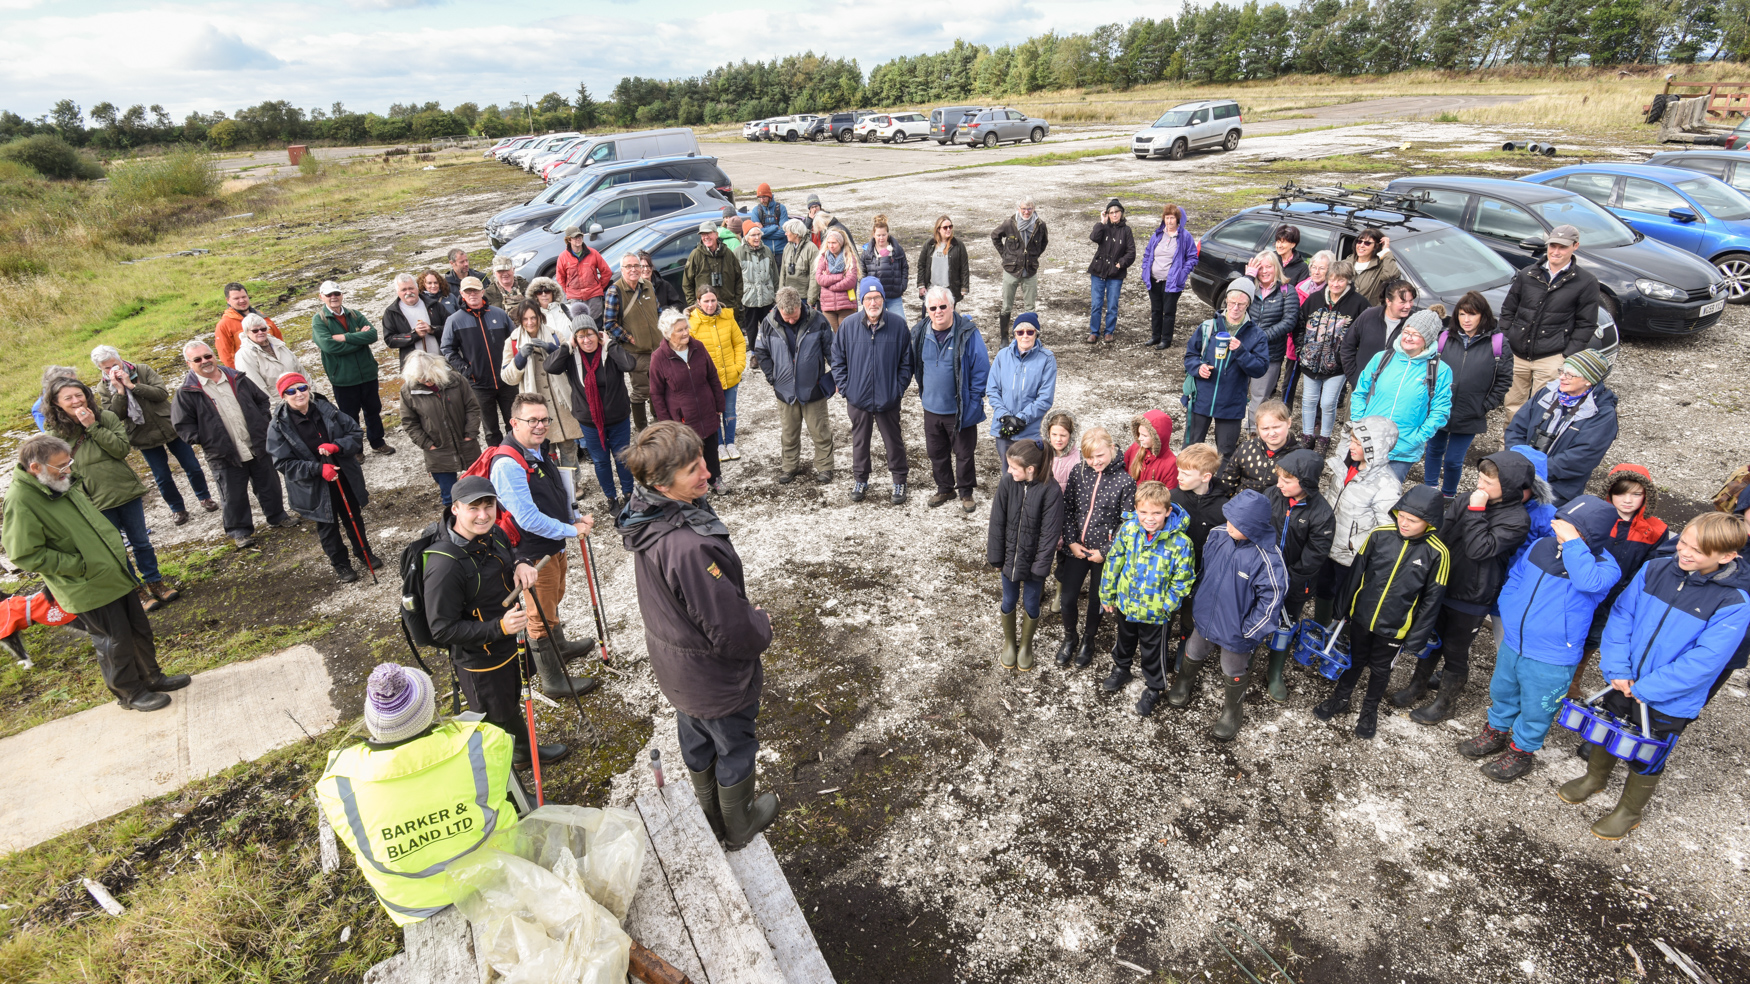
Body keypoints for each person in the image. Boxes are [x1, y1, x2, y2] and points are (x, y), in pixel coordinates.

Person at [618, 422, 778, 849]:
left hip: (678, 669)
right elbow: (730, 629)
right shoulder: (688, 547)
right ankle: (739, 825)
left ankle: (710, 817)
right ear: (661, 481)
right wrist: (761, 625)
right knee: (734, 745)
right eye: (693, 469)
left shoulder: (646, 515)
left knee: (695, 737)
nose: (707, 472)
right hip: (714, 678)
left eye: (703, 460)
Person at [1563, 513, 1750, 840]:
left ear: (1727, 556)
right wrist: (1618, 667)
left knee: (1650, 750)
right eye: (1684, 543)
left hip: (1668, 698)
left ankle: (1629, 810)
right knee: (1610, 726)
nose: (1685, 553)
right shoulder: (1655, 569)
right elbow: (1622, 614)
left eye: (1698, 551)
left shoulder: (1734, 602)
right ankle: (1596, 777)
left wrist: (1649, 688)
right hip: (1624, 680)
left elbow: (1706, 660)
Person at [315, 662, 519, 926]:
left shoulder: (336, 784)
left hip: (412, 903)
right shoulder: (485, 741)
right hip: (493, 871)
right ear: (428, 709)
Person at [3, 435, 189, 711]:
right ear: (36, 468)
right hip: (86, 583)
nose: (68, 470)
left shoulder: (59, 481)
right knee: (114, 641)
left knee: (138, 630)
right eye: (61, 467)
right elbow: (25, 554)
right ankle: (130, 694)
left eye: (69, 463)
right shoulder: (21, 500)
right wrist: (78, 566)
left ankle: (152, 678)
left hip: (112, 571)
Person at [1461, 495, 1620, 782]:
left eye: (1569, 529)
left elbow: (1587, 582)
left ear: (1590, 535)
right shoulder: (1542, 546)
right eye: (1561, 525)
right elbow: (1516, 577)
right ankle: (1496, 731)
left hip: (1552, 656)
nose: (1558, 531)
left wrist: (1572, 543)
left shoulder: (1604, 567)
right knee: (1503, 690)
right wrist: (1509, 611)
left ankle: (1522, 751)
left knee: (1538, 706)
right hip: (1515, 642)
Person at [421, 476, 569, 770]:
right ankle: (507, 787)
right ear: (455, 509)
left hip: (508, 645)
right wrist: (499, 628)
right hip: (481, 663)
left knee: (511, 704)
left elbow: (509, 554)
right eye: (473, 508)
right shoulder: (444, 565)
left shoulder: (494, 532)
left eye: (488, 505)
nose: (483, 514)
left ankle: (524, 753)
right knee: (494, 723)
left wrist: (520, 562)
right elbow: (442, 629)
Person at [1394, 450, 1542, 723]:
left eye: (1488, 483)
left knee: (1455, 648)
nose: (1480, 487)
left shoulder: (1517, 519)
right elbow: (1443, 534)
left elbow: (1479, 549)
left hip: (1473, 594)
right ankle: (1417, 686)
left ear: (1508, 486)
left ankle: (1445, 703)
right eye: (1480, 479)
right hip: (1445, 582)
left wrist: (1476, 509)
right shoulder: (1466, 498)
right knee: (1432, 638)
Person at [484, 392, 602, 688]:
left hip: (552, 544)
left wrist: (571, 522)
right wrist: (572, 530)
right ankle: (552, 679)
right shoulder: (508, 464)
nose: (540, 425)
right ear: (514, 423)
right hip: (533, 553)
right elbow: (528, 519)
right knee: (539, 613)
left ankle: (558, 646)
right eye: (532, 420)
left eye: (544, 419)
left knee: (552, 599)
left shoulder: (535, 450)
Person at [1313, 486, 1448, 738]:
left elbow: (1432, 599)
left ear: (1429, 522)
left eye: (1413, 520)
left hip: (1396, 626)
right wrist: (1342, 607)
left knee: (1380, 669)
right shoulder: (1379, 535)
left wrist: (1417, 636)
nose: (1404, 523)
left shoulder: (1437, 553)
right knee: (1354, 659)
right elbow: (1357, 573)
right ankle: (1340, 698)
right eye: (1401, 516)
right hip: (1363, 616)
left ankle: (1369, 710)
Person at [43, 378, 177, 610]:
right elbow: (57, 466)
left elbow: (120, 450)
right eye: (68, 398)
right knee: (115, 548)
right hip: (92, 499)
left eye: (79, 394)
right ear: (56, 403)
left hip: (124, 489)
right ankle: (135, 591)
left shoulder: (106, 417)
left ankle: (155, 583)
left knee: (141, 542)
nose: (76, 401)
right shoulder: (54, 433)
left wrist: (92, 426)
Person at [1170, 490, 1286, 741]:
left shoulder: (1267, 559)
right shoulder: (1218, 534)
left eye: (1238, 523)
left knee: (1232, 665)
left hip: (1237, 628)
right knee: (1194, 649)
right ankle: (1183, 682)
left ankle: (1233, 710)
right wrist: (1199, 601)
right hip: (1206, 616)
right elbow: (1205, 569)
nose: (1229, 525)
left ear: (1254, 526)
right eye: (1229, 519)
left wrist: (1249, 630)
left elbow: (1272, 600)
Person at [172, 339, 297, 548]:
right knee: (232, 494)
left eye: (207, 356)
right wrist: (208, 439)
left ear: (214, 355)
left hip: (255, 444)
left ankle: (277, 516)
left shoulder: (235, 376)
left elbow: (262, 399)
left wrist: (261, 422)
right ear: (189, 363)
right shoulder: (186, 392)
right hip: (223, 453)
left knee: (269, 484)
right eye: (197, 359)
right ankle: (239, 531)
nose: (204, 361)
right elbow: (182, 425)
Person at [1569, 464, 1678, 701]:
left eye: (1636, 494)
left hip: (1618, 596)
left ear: (1646, 496)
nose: (1628, 500)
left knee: (1594, 636)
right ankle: (1556, 675)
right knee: (1569, 629)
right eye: (1621, 493)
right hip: (1583, 589)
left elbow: (1653, 568)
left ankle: (1574, 680)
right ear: (1609, 492)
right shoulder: (1592, 517)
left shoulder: (1657, 530)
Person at [266, 372, 380, 582]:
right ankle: (341, 565)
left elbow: (355, 433)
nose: (299, 394)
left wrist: (337, 446)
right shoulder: (277, 426)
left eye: (302, 388)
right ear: (283, 395)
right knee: (328, 527)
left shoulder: (327, 409)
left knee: (353, 517)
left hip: (343, 475)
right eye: (291, 391)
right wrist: (317, 470)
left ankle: (365, 553)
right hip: (313, 486)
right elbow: (283, 463)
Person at [91, 345, 219, 526]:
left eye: (115, 364)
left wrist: (132, 386)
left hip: (168, 425)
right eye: (106, 367)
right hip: (142, 434)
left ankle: (205, 497)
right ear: (100, 369)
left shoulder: (142, 370)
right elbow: (115, 415)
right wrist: (120, 392)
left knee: (191, 465)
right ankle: (177, 509)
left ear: (120, 359)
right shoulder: (103, 387)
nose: (113, 369)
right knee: (162, 476)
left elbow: (161, 394)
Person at [1099, 481, 1197, 715]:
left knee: (1153, 651)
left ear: (1167, 512)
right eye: (1143, 512)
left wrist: (1167, 605)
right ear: (1136, 509)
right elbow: (1114, 561)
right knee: (1124, 639)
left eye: (1156, 513)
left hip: (1156, 613)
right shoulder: (1129, 530)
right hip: (1126, 603)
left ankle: (1154, 687)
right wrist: (1108, 594)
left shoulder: (1181, 543)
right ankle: (1121, 668)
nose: (1149, 518)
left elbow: (1183, 580)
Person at [1500, 224, 1601, 420]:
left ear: (1575, 246)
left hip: (1551, 358)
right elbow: (1508, 310)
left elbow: (1586, 323)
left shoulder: (1586, 282)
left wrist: (1566, 355)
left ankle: (1533, 451)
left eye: (1562, 247)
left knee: (1544, 409)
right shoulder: (1527, 274)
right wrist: (1506, 340)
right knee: (1512, 407)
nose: (1556, 251)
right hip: (1517, 355)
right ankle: (1508, 449)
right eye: (1552, 245)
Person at [1055, 428, 1135, 668]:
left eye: (1099, 455)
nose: (1094, 462)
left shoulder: (1125, 481)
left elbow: (1127, 523)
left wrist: (1107, 550)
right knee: (1067, 598)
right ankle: (1071, 637)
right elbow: (1067, 508)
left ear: (1112, 449)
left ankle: (1089, 639)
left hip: (1104, 554)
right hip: (1077, 549)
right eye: (1089, 457)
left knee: (1096, 601)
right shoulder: (1079, 473)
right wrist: (1071, 541)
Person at [831, 278, 914, 505]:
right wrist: (847, 389)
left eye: (877, 297)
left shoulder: (898, 325)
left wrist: (897, 389)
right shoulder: (848, 326)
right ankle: (860, 479)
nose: (873, 302)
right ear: (862, 301)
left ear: (884, 300)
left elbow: (907, 362)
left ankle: (899, 480)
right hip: (858, 399)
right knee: (860, 441)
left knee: (893, 440)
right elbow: (837, 359)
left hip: (888, 397)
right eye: (868, 298)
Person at [910, 286, 992, 512]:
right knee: (936, 452)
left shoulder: (968, 333)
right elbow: (914, 366)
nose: (938, 311)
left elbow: (981, 369)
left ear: (952, 307)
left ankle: (966, 492)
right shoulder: (918, 332)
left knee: (964, 453)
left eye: (942, 307)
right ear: (926, 309)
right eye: (933, 307)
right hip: (931, 407)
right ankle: (945, 487)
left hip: (960, 409)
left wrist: (974, 401)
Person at [1313, 418, 1401, 625]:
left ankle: (1339, 636)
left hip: (1351, 556)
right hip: (1327, 543)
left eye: (1359, 443)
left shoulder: (1387, 486)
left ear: (1376, 448)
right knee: (1323, 589)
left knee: (1348, 599)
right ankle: (1319, 627)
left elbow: (1386, 530)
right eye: (1351, 440)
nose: (1351, 446)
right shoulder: (1345, 466)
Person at [1261, 448, 1333, 702]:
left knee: (1286, 624)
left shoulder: (1322, 514)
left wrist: (1286, 580)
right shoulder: (1271, 495)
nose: (1279, 483)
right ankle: (1244, 660)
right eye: (1279, 477)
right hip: (1263, 575)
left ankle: (1275, 671)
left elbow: (1314, 557)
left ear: (1306, 483)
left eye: (1287, 480)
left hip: (1295, 584)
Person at [1503, 350, 1618, 506]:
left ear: (1588, 380)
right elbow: (1516, 429)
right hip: (1521, 474)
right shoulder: (1547, 393)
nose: (1562, 377)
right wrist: (1518, 462)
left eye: (1570, 375)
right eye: (1562, 371)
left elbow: (1581, 458)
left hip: (1559, 490)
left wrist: (1534, 469)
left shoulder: (1602, 415)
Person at [988, 441, 1065, 673]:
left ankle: (1026, 646)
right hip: (1009, 559)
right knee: (1008, 600)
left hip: (1034, 566)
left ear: (1031, 468)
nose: (1009, 470)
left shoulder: (1051, 491)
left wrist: (1040, 566)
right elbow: (997, 521)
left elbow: (1049, 534)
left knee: (1031, 603)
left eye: (1013, 467)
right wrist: (996, 556)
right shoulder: (1007, 483)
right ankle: (1010, 643)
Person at [1426, 292, 1512, 498]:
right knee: (1433, 451)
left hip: (1470, 412)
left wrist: (1484, 405)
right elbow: (1430, 370)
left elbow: (1504, 380)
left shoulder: (1498, 343)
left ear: (1483, 316)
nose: (1466, 320)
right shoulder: (1445, 338)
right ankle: (1428, 492)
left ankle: (1448, 496)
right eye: (1462, 314)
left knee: (1454, 460)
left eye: (1472, 314)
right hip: (1440, 408)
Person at [1349, 310, 1452, 482]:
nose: (1409, 338)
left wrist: (1417, 438)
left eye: (1416, 334)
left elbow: (1440, 410)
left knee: (1385, 500)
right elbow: (1360, 393)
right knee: (1353, 493)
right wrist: (1359, 423)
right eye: (1406, 332)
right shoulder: (1382, 358)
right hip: (1367, 442)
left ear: (1428, 339)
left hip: (1402, 450)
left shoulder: (1440, 370)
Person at [545, 319, 637, 509]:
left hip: (618, 417)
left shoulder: (609, 352)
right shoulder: (572, 356)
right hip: (590, 421)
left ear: (598, 335)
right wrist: (568, 346)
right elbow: (550, 367)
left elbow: (629, 365)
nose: (586, 340)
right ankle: (611, 498)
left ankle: (629, 494)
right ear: (575, 338)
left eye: (590, 334)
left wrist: (610, 344)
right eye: (581, 336)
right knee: (601, 461)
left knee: (623, 457)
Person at [753, 287, 836, 486]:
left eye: (794, 316)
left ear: (801, 305)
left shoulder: (818, 321)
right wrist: (772, 378)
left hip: (813, 389)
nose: (791, 320)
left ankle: (825, 467)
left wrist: (837, 377)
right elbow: (761, 352)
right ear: (778, 309)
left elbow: (832, 351)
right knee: (789, 433)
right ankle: (789, 466)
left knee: (820, 430)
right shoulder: (768, 323)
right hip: (785, 391)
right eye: (786, 317)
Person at [1183, 278, 1269, 457]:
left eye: (1241, 304)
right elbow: (1190, 355)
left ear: (1248, 305)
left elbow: (1260, 368)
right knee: (1191, 450)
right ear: (1226, 301)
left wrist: (1241, 352)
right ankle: (1187, 485)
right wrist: (1198, 368)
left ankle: (1221, 485)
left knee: (1226, 454)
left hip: (1231, 403)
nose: (1235, 308)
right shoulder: (1208, 327)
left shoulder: (1256, 335)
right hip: (1202, 398)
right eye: (1232, 303)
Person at [502, 299, 583, 487]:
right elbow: (508, 377)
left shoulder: (555, 335)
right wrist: (520, 358)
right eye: (525, 319)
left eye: (533, 318)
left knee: (569, 447)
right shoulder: (512, 342)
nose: (530, 323)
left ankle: (573, 484)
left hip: (561, 401)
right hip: (535, 405)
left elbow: (570, 362)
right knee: (544, 449)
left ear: (540, 317)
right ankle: (553, 484)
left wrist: (552, 349)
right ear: (520, 320)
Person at [650, 307, 728, 493]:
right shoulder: (658, 358)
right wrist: (667, 423)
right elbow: (656, 394)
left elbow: (712, 376)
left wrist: (719, 403)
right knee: (689, 454)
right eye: (680, 330)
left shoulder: (698, 347)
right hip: (682, 417)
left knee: (711, 447)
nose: (686, 333)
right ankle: (693, 487)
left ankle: (715, 478)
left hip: (706, 408)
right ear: (668, 334)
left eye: (686, 328)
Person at [311, 281, 395, 456]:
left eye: (336, 293)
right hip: (343, 378)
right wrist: (359, 339)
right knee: (349, 416)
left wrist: (344, 337)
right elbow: (329, 346)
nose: (333, 297)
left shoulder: (354, 314)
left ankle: (377, 442)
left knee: (373, 411)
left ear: (341, 295)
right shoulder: (319, 320)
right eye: (329, 295)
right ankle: (356, 450)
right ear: (321, 297)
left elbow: (372, 335)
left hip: (367, 374)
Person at [1294, 260, 1367, 450]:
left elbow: (1363, 335)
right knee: (1308, 400)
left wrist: (1349, 358)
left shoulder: (1359, 304)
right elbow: (1300, 325)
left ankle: (1324, 439)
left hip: (1338, 366)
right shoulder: (1314, 299)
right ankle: (1307, 435)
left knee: (1327, 403)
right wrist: (1301, 349)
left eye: (1341, 280)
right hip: (1310, 362)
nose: (1335, 284)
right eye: (1332, 279)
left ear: (1349, 281)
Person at [1172, 443, 1231, 664]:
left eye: (1185, 473)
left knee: (1191, 612)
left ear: (1206, 476)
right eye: (1179, 470)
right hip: (1173, 570)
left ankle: (1185, 645)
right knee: (1169, 610)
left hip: (1203, 574)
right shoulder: (1173, 499)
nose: (1179, 476)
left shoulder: (1223, 508)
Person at [442, 276, 518, 447]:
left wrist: (514, 365)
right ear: (461, 293)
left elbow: (515, 340)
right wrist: (465, 369)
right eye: (468, 291)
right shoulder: (454, 320)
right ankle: (495, 460)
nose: (472, 294)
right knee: (490, 429)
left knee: (514, 423)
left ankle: (519, 456)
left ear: (482, 291)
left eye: (475, 290)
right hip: (479, 384)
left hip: (507, 380)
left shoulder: (499, 314)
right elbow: (447, 349)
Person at [400, 351, 480, 508]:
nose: (427, 382)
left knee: (478, 490)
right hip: (438, 452)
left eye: (430, 378)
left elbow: (472, 407)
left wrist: (470, 433)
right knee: (449, 498)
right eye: (422, 379)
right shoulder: (407, 391)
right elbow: (409, 422)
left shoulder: (456, 380)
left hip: (467, 444)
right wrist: (427, 444)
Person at [985, 309, 1056, 463]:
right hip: (1003, 430)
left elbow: (1045, 398)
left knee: (1030, 477)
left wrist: (1020, 420)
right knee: (1009, 475)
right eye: (1020, 332)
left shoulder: (1047, 359)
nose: (1025, 336)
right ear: (1014, 334)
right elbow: (992, 389)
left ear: (1036, 334)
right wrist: (1005, 417)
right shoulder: (1002, 356)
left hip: (1030, 433)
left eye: (1030, 332)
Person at [604, 250, 663, 431]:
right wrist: (629, 338)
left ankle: (658, 424)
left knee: (658, 388)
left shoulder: (648, 285)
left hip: (657, 348)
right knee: (641, 392)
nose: (633, 270)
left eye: (636, 266)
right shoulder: (615, 290)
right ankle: (642, 430)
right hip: (636, 352)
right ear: (621, 269)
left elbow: (658, 311)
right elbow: (609, 323)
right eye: (628, 266)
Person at [687, 287, 747, 462]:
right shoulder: (691, 323)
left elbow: (739, 343)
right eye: (706, 301)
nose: (710, 304)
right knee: (713, 413)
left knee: (730, 411)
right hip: (706, 380)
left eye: (713, 300)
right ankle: (718, 445)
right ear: (698, 302)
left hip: (730, 374)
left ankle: (730, 443)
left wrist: (739, 366)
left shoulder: (727, 318)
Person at [1244, 251, 1299, 431]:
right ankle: (1234, 432)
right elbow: (1233, 306)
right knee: (1236, 394)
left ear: (1277, 268)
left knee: (1259, 397)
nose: (1265, 271)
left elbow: (1289, 321)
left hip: (1269, 355)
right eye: (1261, 267)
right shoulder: (1249, 288)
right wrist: (1247, 278)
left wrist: (1260, 337)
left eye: (1269, 266)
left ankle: (1253, 434)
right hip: (1242, 352)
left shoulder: (1287, 291)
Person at [1341, 278, 1420, 396]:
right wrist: (1355, 378)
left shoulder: (1415, 321)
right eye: (1402, 302)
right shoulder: (1368, 316)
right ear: (1388, 301)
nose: (1408, 306)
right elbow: (1347, 346)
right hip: (1363, 388)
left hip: (1396, 392)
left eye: (1411, 301)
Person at [991, 198, 1048, 345]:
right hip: (1011, 271)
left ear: (1034, 209)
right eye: (1024, 208)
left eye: (1029, 208)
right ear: (1018, 209)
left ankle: (1032, 337)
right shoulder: (1009, 223)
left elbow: (1043, 243)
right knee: (1006, 306)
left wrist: (1033, 256)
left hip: (1030, 272)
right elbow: (995, 236)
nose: (1026, 212)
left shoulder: (1040, 225)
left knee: (1030, 307)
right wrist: (1005, 254)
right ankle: (1004, 338)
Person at [1141, 204, 1198, 351]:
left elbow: (1192, 258)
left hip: (1172, 281)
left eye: (1172, 218)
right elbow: (1147, 253)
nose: (1169, 221)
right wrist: (1145, 269)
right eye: (1167, 217)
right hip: (1154, 279)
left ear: (1178, 219)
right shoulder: (1158, 235)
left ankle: (1166, 339)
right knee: (1156, 310)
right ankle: (1155, 336)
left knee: (1169, 312)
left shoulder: (1185, 237)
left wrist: (1182, 273)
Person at [1214, 399, 1300, 497]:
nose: (1272, 433)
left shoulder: (1299, 456)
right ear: (1257, 427)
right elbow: (1228, 481)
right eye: (1265, 428)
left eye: (1276, 427)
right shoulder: (1246, 448)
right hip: (1242, 505)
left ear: (1289, 422)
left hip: (1278, 509)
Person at [1086, 198, 1135, 346]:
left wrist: (1121, 263)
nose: (1114, 215)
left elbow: (1131, 252)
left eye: (1116, 212)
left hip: (1116, 274)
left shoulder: (1126, 230)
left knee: (1112, 305)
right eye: (1111, 212)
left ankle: (1109, 332)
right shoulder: (1103, 228)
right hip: (1098, 271)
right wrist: (1101, 222)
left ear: (1121, 213)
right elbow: (1094, 237)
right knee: (1096, 304)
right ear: (1107, 214)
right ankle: (1094, 332)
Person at [233, 313, 306, 402]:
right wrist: (275, 410)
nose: (260, 332)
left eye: (263, 329)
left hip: (301, 397)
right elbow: (257, 388)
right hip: (280, 404)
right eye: (255, 331)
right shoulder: (244, 355)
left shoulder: (279, 344)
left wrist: (311, 393)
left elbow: (301, 370)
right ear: (246, 332)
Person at [213, 282, 285, 369]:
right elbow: (226, 357)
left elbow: (279, 340)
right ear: (228, 300)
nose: (242, 301)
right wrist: (240, 377)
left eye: (244, 297)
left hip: (277, 366)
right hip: (250, 371)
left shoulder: (261, 316)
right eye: (236, 298)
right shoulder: (224, 325)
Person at [736, 223, 779, 359]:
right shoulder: (738, 252)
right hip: (749, 297)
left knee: (769, 326)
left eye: (758, 234)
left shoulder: (766, 250)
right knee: (752, 328)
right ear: (746, 237)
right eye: (753, 235)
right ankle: (755, 355)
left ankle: (770, 352)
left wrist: (776, 294)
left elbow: (774, 275)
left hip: (767, 295)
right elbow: (735, 277)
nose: (757, 238)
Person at [556, 226, 613, 321]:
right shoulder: (563, 257)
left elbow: (607, 272)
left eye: (580, 236)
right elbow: (560, 277)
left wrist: (598, 288)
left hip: (593, 297)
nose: (578, 239)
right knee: (580, 325)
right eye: (575, 237)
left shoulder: (593, 253)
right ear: (569, 240)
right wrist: (570, 292)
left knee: (597, 324)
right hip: (575, 298)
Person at [861, 215, 910, 324]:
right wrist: (867, 289)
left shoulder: (897, 250)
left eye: (884, 235)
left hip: (894, 296)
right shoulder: (867, 253)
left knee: (901, 323)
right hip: (875, 296)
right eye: (878, 235)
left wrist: (902, 286)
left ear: (888, 234)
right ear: (874, 235)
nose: (881, 238)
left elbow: (904, 267)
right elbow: (862, 271)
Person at [683, 220, 743, 309]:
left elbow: (739, 280)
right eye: (703, 234)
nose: (706, 237)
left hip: (727, 308)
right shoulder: (695, 255)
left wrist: (736, 303)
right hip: (705, 310)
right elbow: (687, 284)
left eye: (709, 233)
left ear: (716, 235)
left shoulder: (728, 254)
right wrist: (695, 305)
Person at [813, 228, 861, 331]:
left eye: (834, 243)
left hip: (846, 305)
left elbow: (850, 281)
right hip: (828, 306)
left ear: (840, 243)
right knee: (832, 338)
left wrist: (829, 285)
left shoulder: (849, 257)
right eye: (829, 243)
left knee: (847, 337)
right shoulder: (823, 258)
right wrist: (840, 277)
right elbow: (819, 279)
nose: (831, 246)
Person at [916, 214, 969, 308]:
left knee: (949, 316)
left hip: (950, 289)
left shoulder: (958, 245)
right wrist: (921, 285)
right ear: (938, 229)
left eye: (950, 227)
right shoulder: (929, 244)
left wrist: (964, 287)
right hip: (932, 288)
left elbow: (964, 268)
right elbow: (921, 265)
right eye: (945, 227)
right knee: (933, 314)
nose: (948, 229)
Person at [1123, 410, 1178, 488]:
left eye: (1144, 435)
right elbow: (1122, 470)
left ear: (1157, 437)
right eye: (1139, 433)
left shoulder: (1171, 464)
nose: (1139, 438)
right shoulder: (1135, 448)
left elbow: (1169, 495)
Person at [1345, 227, 1399, 306]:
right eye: (1359, 241)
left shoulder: (1380, 265)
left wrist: (1386, 251)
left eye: (1367, 243)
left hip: (1369, 313)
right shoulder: (1347, 263)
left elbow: (1391, 275)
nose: (1361, 245)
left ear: (1376, 246)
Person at [778, 218, 822, 310]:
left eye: (787, 231)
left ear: (796, 234)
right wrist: (780, 296)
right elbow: (783, 273)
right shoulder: (787, 247)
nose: (785, 234)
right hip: (788, 296)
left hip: (804, 298)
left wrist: (811, 300)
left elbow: (814, 276)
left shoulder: (812, 249)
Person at [751, 183, 789, 259]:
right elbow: (757, 234)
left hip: (781, 253)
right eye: (760, 198)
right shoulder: (756, 211)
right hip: (764, 254)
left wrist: (763, 232)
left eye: (764, 197)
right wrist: (775, 227)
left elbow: (784, 232)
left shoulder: (781, 208)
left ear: (769, 196)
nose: (762, 200)